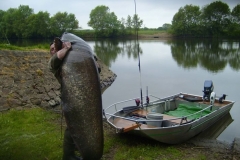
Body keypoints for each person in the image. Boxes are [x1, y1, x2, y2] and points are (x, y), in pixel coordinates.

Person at [48, 37, 82, 160]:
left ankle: (79, 147)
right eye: (51, 49)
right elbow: (57, 57)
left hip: (81, 97)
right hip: (69, 99)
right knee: (71, 126)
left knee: (82, 124)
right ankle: (68, 155)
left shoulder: (69, 60)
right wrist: (67, 47)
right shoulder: (52, 63)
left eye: (54, 48)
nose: (52, 51)